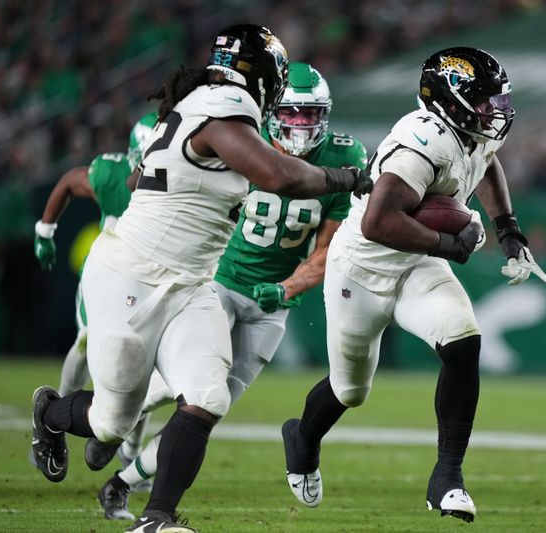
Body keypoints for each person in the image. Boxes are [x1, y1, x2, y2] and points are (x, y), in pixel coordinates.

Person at [29, 24, 371, 533]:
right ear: (259, 73)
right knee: (110, 421)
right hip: (135, 275)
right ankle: (51, 414)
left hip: (192, 282)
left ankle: (157, 518)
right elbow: (280, 176)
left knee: (208, 397)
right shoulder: (222, 104)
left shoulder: (213, 101)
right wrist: (349, 178)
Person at [279, 47, 546, 523]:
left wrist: (508, 228)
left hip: (416, 265)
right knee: (350, 390)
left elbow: (486, 163)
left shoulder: (471, 132)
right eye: (484, 100)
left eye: (497, 100)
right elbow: (378, 223)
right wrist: (450, 243)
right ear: (449, 98)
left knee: (464, 341)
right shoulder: (422, 140)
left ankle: (447, 476)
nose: (495, 111)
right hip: (360, 271)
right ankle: (302, 439)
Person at [33, 112, 158, 399]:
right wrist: (45, 230)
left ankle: (132, 446)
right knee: (87, 341)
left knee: (145, 360)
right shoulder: (112, 176)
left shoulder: (182, 184)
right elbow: (69, 182)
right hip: (108, 274)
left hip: (151, 278)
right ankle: (53, 415)